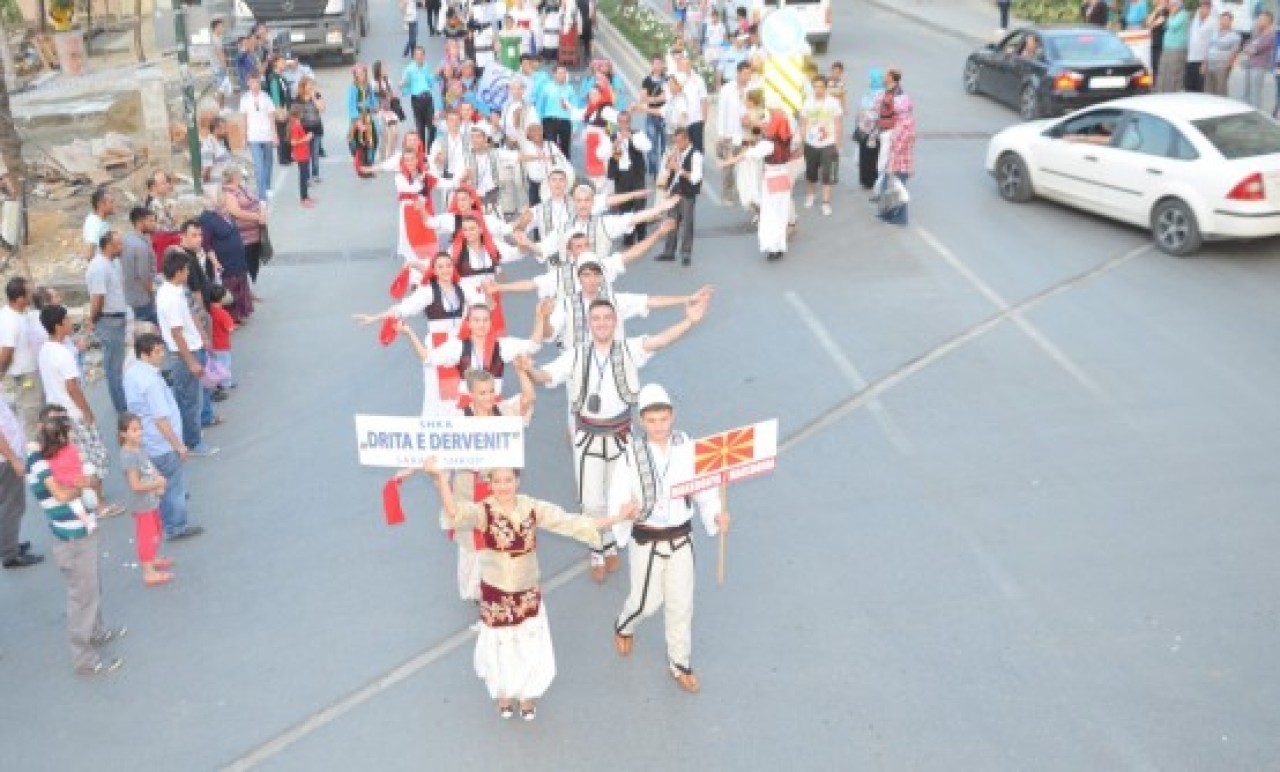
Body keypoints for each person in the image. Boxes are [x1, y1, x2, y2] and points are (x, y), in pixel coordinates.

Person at [405, 457, 630, 721]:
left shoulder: (532, 507)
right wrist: (441, 479)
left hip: (526, 592)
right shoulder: (483, 511)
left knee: (528, 644)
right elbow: (455, 514)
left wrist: (617, 517)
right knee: (500, 646)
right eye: (497, 481)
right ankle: (503, 693)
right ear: (489, 483)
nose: (503, 486)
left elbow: (571, 522)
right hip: (495, 594)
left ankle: (527, 695)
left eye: (508, 480)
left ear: (517, 481)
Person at [527, 293, 711, 582]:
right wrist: (529, 370)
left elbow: (660, 341)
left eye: (607, 318)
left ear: (615, 322)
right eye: (596, 318)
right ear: (589, 323)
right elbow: (546, 377)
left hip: (622, 436)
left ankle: (610, 544)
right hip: (587, 438)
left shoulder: (629, 349)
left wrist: (688, 321)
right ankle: (596, 551)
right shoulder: (575, 354)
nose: (601, 323)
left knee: (619, 498)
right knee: (589, 502)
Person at [607, 383, 728, 694]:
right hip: (647, 538)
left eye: (663, 419)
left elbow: (705, 490)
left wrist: (716, 514)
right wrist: (626, 511)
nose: (658, 426)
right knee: (646, 604)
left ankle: (680, 662)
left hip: (681, 538)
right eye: (652, 421)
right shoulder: (630, 456)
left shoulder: (688, 447)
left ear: (672, 416)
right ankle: (624, 624)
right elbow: (618, 498)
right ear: (640, 421)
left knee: (681, 604)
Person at [27, 407, 125, 676]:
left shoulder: (42, 453)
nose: (71, 441)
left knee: (90, 588)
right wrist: (82, 486)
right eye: (66, 434)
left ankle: (96, 631)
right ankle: (85, 659)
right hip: (72, 537)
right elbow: (60, 495)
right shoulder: (39, 462)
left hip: (80, 529)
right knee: (82, 596)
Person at [38, 305, 123, 518]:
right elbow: (72, 387)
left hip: (56, 412)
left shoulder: (47, 349)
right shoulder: (62, 355)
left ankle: (86, 501)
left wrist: (83, 338)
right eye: (66, 320)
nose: (69, 323)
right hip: (72, 412)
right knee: (94, 457)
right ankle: (100, 503)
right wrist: (87, 411)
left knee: (75, 459)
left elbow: (74, 350)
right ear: (58, 326)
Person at [124, 333, 201, 541]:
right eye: (157, 352)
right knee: (172, 485)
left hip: (146, 440)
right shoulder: (151, 382)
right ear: (145, 354)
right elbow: (161, 419)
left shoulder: (132, 374)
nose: (162, 355)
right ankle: (176, 525)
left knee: (161, 482)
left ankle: (167, 520)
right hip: (161, 442)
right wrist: (179, 446)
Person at [156, 250, 217, 457]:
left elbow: (191, 315)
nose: (189, 272)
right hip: (184, 355)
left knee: (192, 397)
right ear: (179, 271)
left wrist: (204, 338)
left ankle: (192, 434)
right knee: (188, 400)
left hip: (193, 347)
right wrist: (191, 361)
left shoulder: (176, 290)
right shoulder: (169, 298)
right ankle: (192, 441)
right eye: (187, 269)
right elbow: (176, 333)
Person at [722, 105, 795, 261]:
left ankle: (772, 247)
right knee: (781, 212)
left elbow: (749, 154)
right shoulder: (786, 140)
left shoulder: (768, 144)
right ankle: (779, 245)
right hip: (783, 176)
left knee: (770, 214)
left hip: (772, 177)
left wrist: (728, 162)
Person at [117, 413, 173, 587]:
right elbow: (135, 485)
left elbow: (150, 468)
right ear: (123, 434)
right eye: (134, 430)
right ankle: (148, 572)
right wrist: (156, 483)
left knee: (156, 530)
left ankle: (153, 559)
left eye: (140, 428)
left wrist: (158, 480)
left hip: (151, 498)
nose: (139, 432)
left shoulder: (138, 449)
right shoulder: (128, 456)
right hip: (142, 504)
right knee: (147, 537)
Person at [84, 230, 129, 415]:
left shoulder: (111, 263)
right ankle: (122, 409)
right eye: (119, 244)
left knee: (118, 365)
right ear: (109, 245)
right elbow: (98, 298)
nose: (122, 247)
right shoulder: (98, 267)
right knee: (113, 369)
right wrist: (93, 320)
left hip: (116, 318)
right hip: (109, 321)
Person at [199, 189, 254, 323]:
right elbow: (206, 244)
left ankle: (239, 314)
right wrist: (215, 262)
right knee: (229, 288)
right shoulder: (207, 219)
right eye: (221, 203)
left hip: (237, 259)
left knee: (240, 285)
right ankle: (230, 317)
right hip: (225, 262)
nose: (225, 206)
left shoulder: (225, 215)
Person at [0, 277, 44, 439]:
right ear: (19, 299)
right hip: (26, 375)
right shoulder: (11, 321)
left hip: (31, 370)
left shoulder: (19, 313)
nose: (31, 294)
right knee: (32, 414)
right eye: (28, 293)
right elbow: (6, 351)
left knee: (37, 410)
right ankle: (35, 456)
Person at [0, 396, 39, 569]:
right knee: (12, 505)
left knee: (11, 504)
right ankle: (10, 554)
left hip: (8, 456)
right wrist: (13, 459)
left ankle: (10, 545)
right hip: (5, 459)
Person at [656, 127, 701, 266]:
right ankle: (669, 251)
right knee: (671, 220)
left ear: (687, 140)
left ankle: (686, 253)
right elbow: (666, 170)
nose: (678, 145)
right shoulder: (675, 153)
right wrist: (669, 162)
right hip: (674, 190)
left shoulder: (696, 155)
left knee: (687, 222)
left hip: (687, 192)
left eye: (680, 142)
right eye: (676, 142)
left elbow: (695, 178)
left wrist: (679, 169)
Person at [800, 75, 843, 217]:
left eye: (820, 87)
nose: (817, 90)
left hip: (828, 143)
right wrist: (802, 141)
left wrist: (837, 144)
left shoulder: (833, 103)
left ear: (825, 88)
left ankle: (825, 202)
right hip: (811, 143)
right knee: (810, 172)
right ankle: (810, 195)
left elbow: (838, 124)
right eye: (815, 87)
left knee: (827, 173)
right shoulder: (807, 103)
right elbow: (803, 123)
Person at [221, 167, 268, 289]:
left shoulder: (242, 188)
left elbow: (258, 200)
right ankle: (247, 291)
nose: (240, 177)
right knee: (246, 263)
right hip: (244, 236)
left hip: (255, 233)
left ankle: (250, 289)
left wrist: (262, 212)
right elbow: (236, 212)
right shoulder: (228, 193)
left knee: (254, 261)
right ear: (234, 177)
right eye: (239, 175)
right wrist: (257, 216)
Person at [715, 62, 749, 208]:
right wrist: (721, 134)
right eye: (745, 73)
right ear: (738, 73)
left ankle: (746, 194)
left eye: (750, 74)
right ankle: (728, 194)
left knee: (746, 166)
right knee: (728, 167)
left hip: (747, 136)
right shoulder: (727, 90)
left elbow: (756, 112)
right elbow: (721, 113)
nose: (748, 77)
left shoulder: (753, 90)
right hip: (730, 135)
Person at [879, 96, 916, 227]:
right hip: (899, 163)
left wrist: (891, 166)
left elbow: (898, 148)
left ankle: (900, 217)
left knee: (898, 191)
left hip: (900, 164)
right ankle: (888, 213)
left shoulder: (906, 125)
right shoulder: (903, 122)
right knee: (892, 189)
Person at [240, 74, 278, 200]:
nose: (255, 85)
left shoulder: (266, 97)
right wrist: (244, 136)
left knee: (268, 162)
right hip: (253, 136)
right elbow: (243, 119)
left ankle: (267, 186)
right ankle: (262, 195)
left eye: (257, 82)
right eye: (253, 82)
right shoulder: (245, 99)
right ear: (248, 83)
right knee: (258, 165)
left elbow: (272, 117)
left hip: (266, 134)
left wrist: (274, 134)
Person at [121, 208, 158, 325]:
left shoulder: (127, 238)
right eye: (150, 221)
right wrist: (152, 296)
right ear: (140, 222)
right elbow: (145, 276)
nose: (154, 224)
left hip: (131, 295)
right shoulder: (140, 246)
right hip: (142, 298)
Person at [854, 69, 886, 190]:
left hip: (874, 130)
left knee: (873, 155)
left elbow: (878, 112)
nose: (867, 80)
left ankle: (872, 179)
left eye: (870, 78)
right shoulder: (869, 92)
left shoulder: (881, 94)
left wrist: (866, 115)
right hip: (864, 129)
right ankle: (866, 179)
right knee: (865, 154)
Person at [641, 55, 669, 176]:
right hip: (651, 116)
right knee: (651, 145)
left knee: (665, 146)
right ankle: (654, 171)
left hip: (665, 116)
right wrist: (657, 99)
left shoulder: (667, 80)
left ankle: (665, 170)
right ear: (652, 65)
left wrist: (651, 99)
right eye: (655, 63)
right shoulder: (646, 80)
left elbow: (666, 97)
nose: (657, 66)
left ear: (663, 65)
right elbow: (643, 98)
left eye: (659, 63)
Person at [1241, 11, 1276, 109]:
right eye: (1259, 19)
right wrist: (1249, 48)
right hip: (1249, 64)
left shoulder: (1271, 35)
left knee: (1255, 94)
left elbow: (1257, 49)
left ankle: (1255, 117)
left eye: (1261, 19)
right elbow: (1245, 45)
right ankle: (1245, 114)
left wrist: (1250, 48)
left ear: (1268, 21)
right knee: (1246, 93)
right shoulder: (1257, 32)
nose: (1258, 21)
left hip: (1259, 66)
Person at [1204, 11, 1242, 98]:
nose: (1223, 22)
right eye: (1222, 19)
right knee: (1208, 90)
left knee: (1220, 90)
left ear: (1231, 21)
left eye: (1226, 20)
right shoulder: (1214, 33)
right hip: (1210, 64)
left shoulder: (1235, 36)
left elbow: (1234, 52)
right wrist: (1204, 63)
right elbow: (1208, 48)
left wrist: (1227, 65)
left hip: (1222, 66)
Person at [296, 77, 326, 185]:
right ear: (303, 86)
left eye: (312, 84)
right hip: (304, 130)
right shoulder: (298, 98)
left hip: (316, 128)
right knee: (306, 154)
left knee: (315, 153)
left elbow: (322, 108)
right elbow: (296, 115)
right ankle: (306, 176)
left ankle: (315, 174)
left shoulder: (317, 95)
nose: (311, 87)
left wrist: (314, 98)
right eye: (308, 85)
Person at [1156, 0, 1189, 93]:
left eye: (1172, 5)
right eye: (1170, 5)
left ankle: (1172, 94)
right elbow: (1165, 26)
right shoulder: (1172, 15)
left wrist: (1170, 15)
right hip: (1167, 48)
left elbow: (1173, 26)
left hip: (1177, 49)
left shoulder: (1183, 14)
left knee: (1173, 74)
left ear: (1178, 5)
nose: (1170, 7)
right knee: (1163, 71)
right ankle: (1162, 92)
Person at [207, 286, 237, 390]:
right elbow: (230, 329)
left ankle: (216, 382)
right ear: (222, 298)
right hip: (222, 344)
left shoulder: (208, 310)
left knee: (214, 364)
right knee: (225, 364)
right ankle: (225, 384)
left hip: (211, 344)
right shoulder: (223, 314)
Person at [287, 105, 316, 208]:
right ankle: (303, 199)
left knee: (305, 176)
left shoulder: (297, 124)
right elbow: (293, 142)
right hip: (301, 155)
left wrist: (305, 137)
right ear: (299, 114)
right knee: (303, 177)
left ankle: (306, 196)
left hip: (304, 153)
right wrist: (306, 138)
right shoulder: (295, 126)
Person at [1185, 0, 1213, 93]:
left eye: (1205, 8)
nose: (1202, 10)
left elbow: (1211, 44)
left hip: (1201, 60)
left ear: (1209, 9)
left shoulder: (1212, 23)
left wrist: (1205, 62)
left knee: (1199, 87)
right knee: (1189, 86)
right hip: (1191, 58)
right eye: (1201, 7)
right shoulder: (1195, 20)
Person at [200, 115, 233, 185]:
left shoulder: (220, 142)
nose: (227, 130)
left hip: (226, 181)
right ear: (216, 129)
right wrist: (207, 186)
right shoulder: (209, 144)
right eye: (224, 128)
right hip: (218, 184)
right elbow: (206, 169)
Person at [82, 187, 113, 260]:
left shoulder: (99, 220)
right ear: (101, 205)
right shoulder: (94, 224)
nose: (114, 205)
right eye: (111, 202)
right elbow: (88, 254)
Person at [1147, 0, 1170, 83]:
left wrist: (1151, 25)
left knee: (1159, 65)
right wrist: (1156, 10)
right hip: (1154, 42)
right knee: (1154, 66)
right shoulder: (1157, 11)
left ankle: (1159, 85)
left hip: (1161, 42)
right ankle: (1155, 84)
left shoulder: (1166, 11)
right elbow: (1148, 22)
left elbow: (1156, 23)